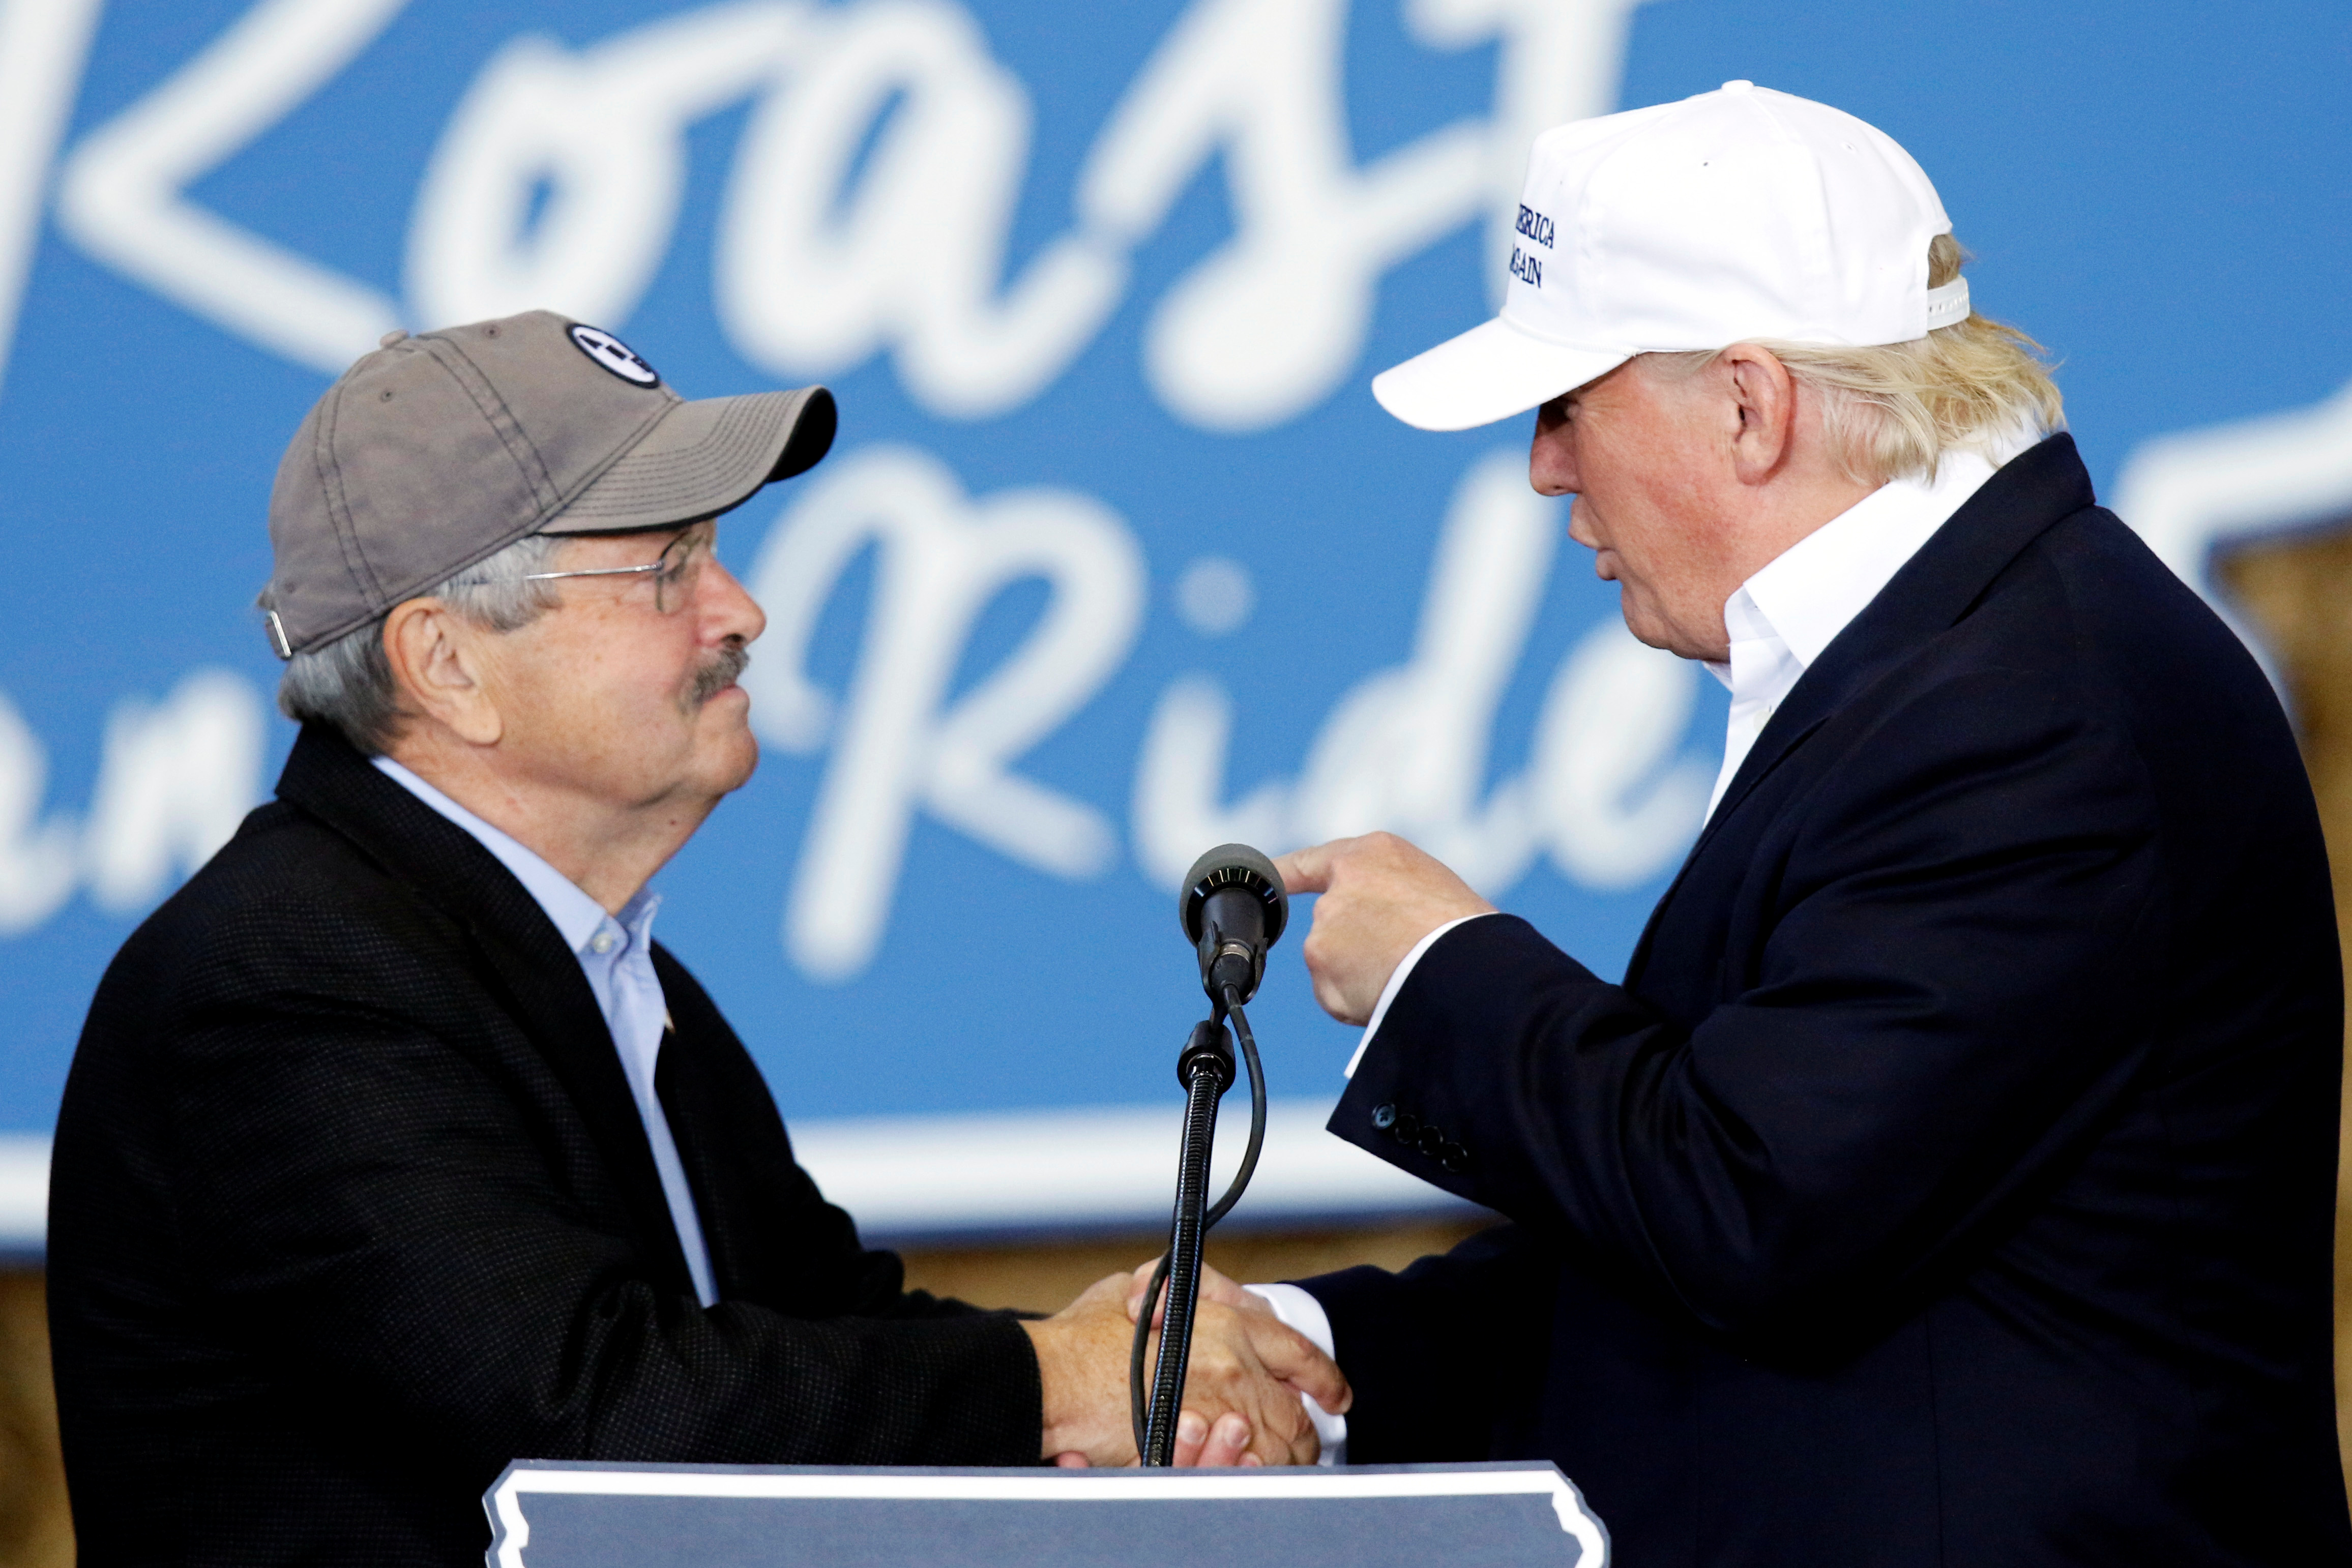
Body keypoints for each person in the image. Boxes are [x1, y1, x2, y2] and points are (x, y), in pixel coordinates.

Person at [1162, 82, 2351, 1562]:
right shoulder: (1953, 667)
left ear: (1748, 402)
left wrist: (1445, 969)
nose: (1543, 466)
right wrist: (1306, 1343)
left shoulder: (2032, 707)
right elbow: (1707, 1244)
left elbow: (1756, 1208)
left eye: (1566, 406)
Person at [46, 311, 1345, 1565]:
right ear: (445, 663)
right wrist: (1052, 1383)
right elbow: (586, 1416)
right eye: (665, 567)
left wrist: (1125, 1368)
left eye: (713, 550)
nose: (739, 611)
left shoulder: (595, 967)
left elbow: (817, 1330)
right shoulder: (281, 981)